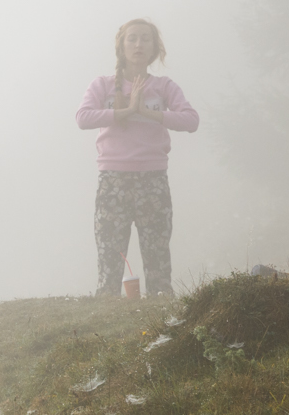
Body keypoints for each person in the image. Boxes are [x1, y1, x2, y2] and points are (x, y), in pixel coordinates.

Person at [76, 18, 198, 297]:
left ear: (155, 47)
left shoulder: (164, 86)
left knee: (157, 259)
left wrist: (148, 112)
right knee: (109, 259)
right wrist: (126, 111)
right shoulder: (102, 85)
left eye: (145, 38)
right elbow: (82, 118)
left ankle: (162, 319)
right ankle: (108, 317)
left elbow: (191, 120)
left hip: (153, 179)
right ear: (121, 46)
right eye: (132, 38)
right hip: (113, 181)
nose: (139, 44)